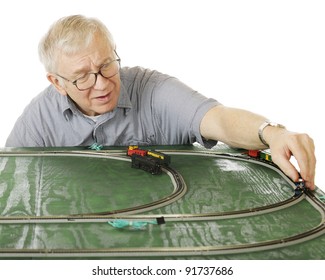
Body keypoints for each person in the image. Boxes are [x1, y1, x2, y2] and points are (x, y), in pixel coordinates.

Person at [5, 15, 316, 190]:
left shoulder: (152, 90)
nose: (101, 84)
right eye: (82, 77)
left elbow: (217, 119)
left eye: (106, 66)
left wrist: (272, 133)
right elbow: (10, 181)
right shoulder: (38, 119)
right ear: (57, 83)